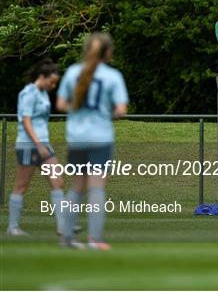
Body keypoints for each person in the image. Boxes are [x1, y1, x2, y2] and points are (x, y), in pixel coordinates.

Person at [57, 32, 128, 250]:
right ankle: (95, 239)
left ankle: (67, 238)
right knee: (96, 189)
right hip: (100, 137)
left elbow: (61, 105)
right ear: (107, 53)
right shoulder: (112, 76)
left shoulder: (72, 72)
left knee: (77, 188)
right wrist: (105, 113)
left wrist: (78, 109)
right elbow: (121, 110)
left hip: (76, 137)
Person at [7, 59, 65, 236]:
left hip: (43, 144)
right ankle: (13, 227)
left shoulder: (43, 93)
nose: (53, 86)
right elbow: (26, 121)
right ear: (42, 77)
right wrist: (38, 145)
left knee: (58, 181)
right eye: (52, 82)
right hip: (28, 145)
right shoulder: (28, 93)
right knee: (22, 186)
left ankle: (63, 227)